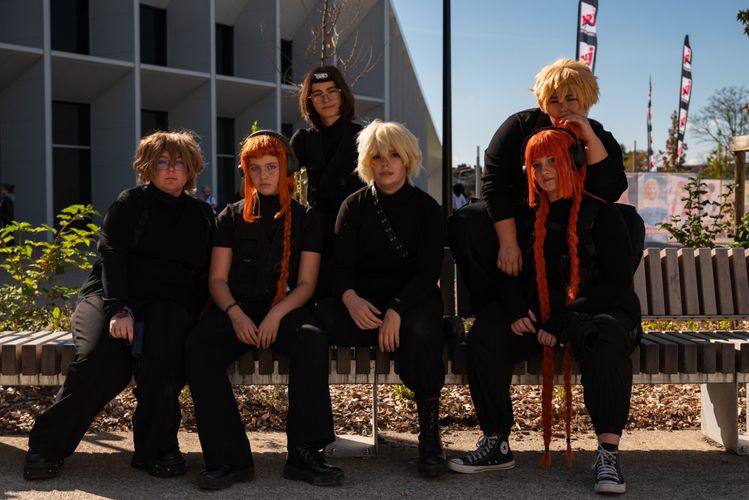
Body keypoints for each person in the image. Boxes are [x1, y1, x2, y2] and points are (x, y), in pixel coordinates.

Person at [448, 128, 641, 496]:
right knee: (487, 332)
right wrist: (514, 308)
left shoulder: (604, 214)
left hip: (596, 312)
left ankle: (608, 453)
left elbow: (616, 285)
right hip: (542, 315)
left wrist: (564, 320)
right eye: (536, 165)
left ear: (574, 161)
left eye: (553, 161)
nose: (544, 170)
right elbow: (509, 272)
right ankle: (495, 441)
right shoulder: (525, 216)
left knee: (606, 340)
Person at [24, 131, 215, 480]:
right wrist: (118, 309)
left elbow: (205, 273)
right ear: (148, 167)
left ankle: (157, 449)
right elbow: (112, 258)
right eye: (162, 162)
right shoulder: (129, 204)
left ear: (191, 169)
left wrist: (194, 316)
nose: (171, 170)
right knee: (101, 360)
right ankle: (46, 446)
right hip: (110, 295)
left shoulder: (202, 215)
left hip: (167, 302)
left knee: (166, 358)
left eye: (179, 163)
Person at [186, 130, 343, 490]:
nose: (263, 175)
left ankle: (304, 454)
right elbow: (217, 279)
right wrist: (235, 313)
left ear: (286, 169)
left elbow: (306, 284)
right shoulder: (230, 216)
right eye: (254, 168)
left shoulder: (306, 218)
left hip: (285, 309)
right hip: (237, 308)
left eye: (271, 166)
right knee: (199, 346)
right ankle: (229, 459)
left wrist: (275, 315)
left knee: (311, 340)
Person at [315, 120, 446, 477]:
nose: (385, 163)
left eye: (393, 155)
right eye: (377, 156)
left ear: (407, 160)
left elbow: (427, 273)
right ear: (366, 162)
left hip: (412, 302)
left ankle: (430, 437)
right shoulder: (353, 206)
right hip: (365, 307)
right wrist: (351, 299)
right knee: (319, 320)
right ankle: (314, 435)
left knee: (421, 330)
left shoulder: (426, 209)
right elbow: (340, 269)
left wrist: (397, 310)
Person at [447, 58, 627, 315]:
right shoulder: (518, 127)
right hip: (521, 219)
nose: (563, 108)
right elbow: (494, 185)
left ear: (586, 99)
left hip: (573, 225)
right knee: (466, 220)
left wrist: (589, 139)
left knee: (628, 221)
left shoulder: (598, 136)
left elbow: (610, 191)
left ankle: (592, 307)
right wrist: (508, 243)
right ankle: (495, 307)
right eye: (554, 101)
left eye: (571, 99)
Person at [290, 66, 364, 294]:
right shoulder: (303, 139)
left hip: (357, 233)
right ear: (310, 100)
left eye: (332, 91)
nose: (326, 99)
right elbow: (280, 177)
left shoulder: (364, 137)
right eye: (318, 93)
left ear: (343, 94)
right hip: (317, 236)